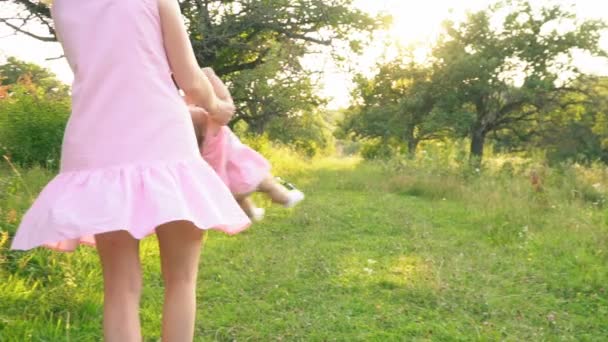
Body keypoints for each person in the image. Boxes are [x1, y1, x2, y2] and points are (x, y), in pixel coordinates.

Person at [11, 0, 250, 341]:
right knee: (181, 279)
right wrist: (218, 107)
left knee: (119, 288)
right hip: (164, 142)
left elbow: (108, 72)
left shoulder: (61, 5)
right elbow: (190, 80)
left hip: (95, 145)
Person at [187, 68, 305, 221]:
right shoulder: (208, 118)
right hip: (237, 162)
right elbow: (225, 102)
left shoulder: (186, 119)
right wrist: (211, 76)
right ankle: (284, 197)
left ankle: (251, 213)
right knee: (264, 179)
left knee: (240, 198)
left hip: (222, 177)